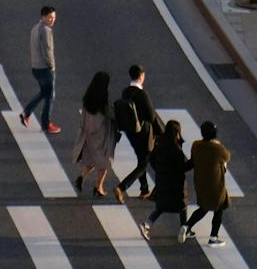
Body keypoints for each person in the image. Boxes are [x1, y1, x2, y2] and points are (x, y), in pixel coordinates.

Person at [69, 72, 120, 200]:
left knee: (91, 159)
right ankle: (99, 186)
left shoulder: (88, 99)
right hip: (101, 136)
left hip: (89, 135)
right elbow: (111, 116)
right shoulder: (103, 102)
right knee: (104, 163)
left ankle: (82, 176)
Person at [182, 121, 232, 247]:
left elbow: (192, 160)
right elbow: (227, 156)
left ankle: (186, 226)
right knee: (219, 208)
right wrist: (218, 144)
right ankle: (213, 237)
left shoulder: (196, 145)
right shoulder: (217, 148)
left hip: (201, 182)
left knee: (205, 207)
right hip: (216, 184)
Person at [140, 119, 190, 241]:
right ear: (177, 132)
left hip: (162, 180)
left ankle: (147, 224)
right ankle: (184, 228)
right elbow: (182, 166)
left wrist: (159, 170)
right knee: (182, 205)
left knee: (161, 206)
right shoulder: (176, 149)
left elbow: (151, 159)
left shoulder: (159, 143)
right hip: (175, 182)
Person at [114, 64, 158, 197]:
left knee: (141, 158)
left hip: (131, 131)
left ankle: (144, 189)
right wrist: (161, 132)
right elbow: (151, 116)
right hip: (143, 132)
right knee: (144, 163)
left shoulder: (125, 91)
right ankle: (122, 187)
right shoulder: (142, 94)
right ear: (141, 76)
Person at [19, 4, 60, 134]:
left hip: (35, 67)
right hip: (45, 69)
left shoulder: (35, 28)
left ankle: (26, 112)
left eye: (54, 17)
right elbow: (47, 51)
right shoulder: (46, 31)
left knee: (44, 92)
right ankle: (45, 124)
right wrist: (52, 66)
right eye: (49, 18)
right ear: (43, 17)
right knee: (50, 96)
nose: (52, 20)